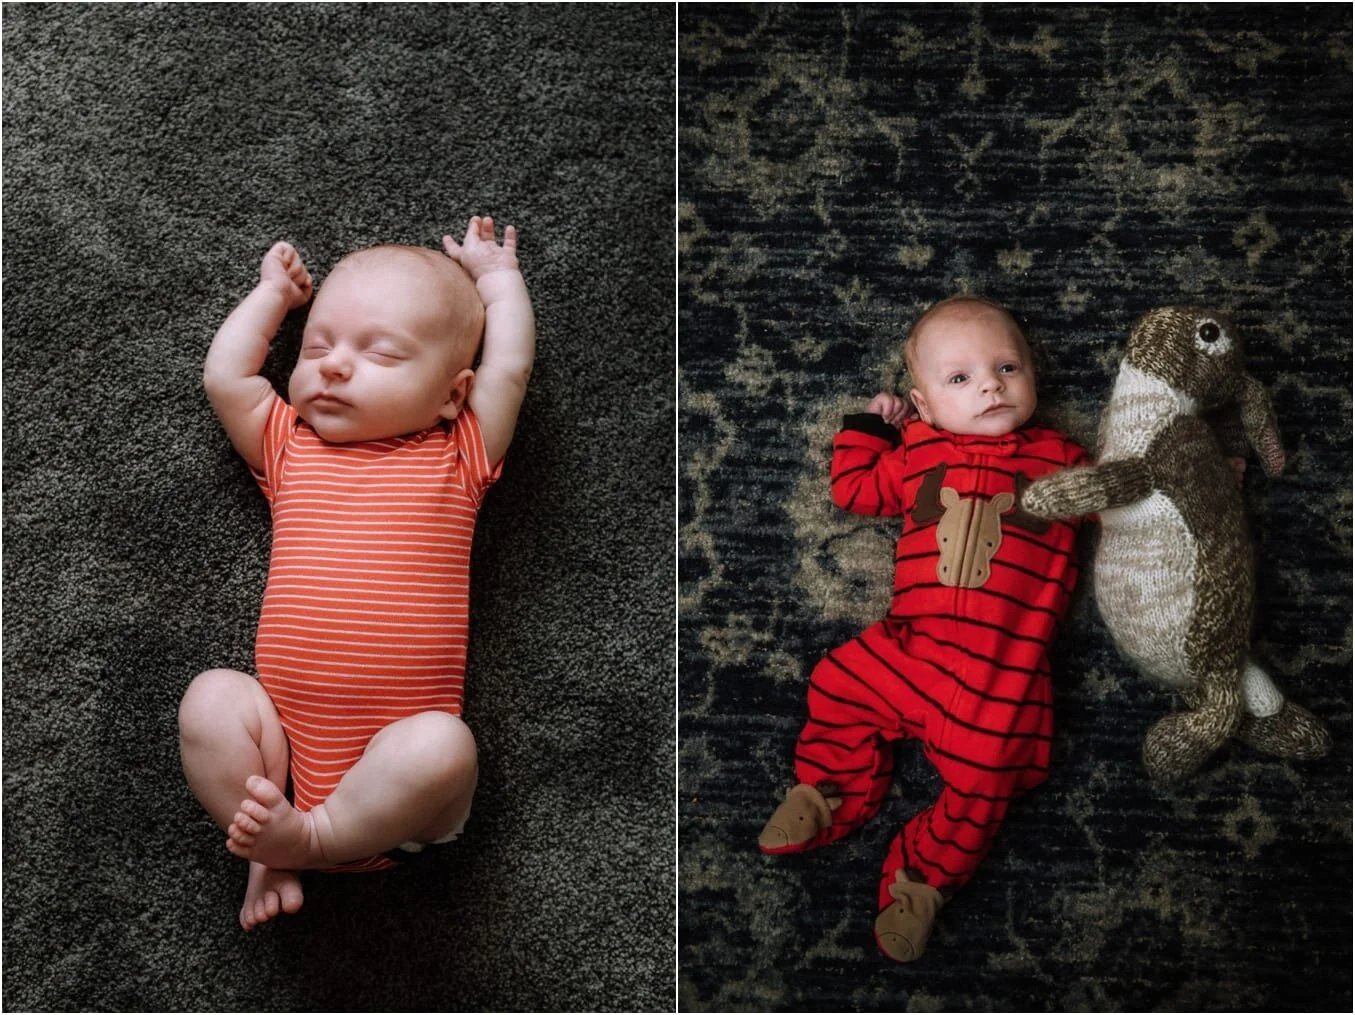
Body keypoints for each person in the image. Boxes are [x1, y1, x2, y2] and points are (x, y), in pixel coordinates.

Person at [178, 216, 534, 930]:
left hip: (401, 797)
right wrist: (271, 297)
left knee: (443, 744)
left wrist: (498, 283)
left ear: (450, 394)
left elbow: (509, 368)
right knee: (210, 700)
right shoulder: (288, 447)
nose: (334, 365)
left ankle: (309, 842)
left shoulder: (458, 452)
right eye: (317, 347)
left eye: (380, 354)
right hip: (280, 762)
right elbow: (227, 376)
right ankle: (271, 842)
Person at [757, 295, 1087, 962]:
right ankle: (826, 791)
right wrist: (872, 431)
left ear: (1032, 378)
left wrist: (1184, 484)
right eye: (960, 378)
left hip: (998, 674)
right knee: (839, 681)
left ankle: (919, 882)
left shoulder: (1063, 462)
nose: (990, 384)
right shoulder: (918, 450)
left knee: (987, 780)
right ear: (925, 403)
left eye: (1006, 367)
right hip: (911, 644)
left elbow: (1129, 502)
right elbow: (853, 488)